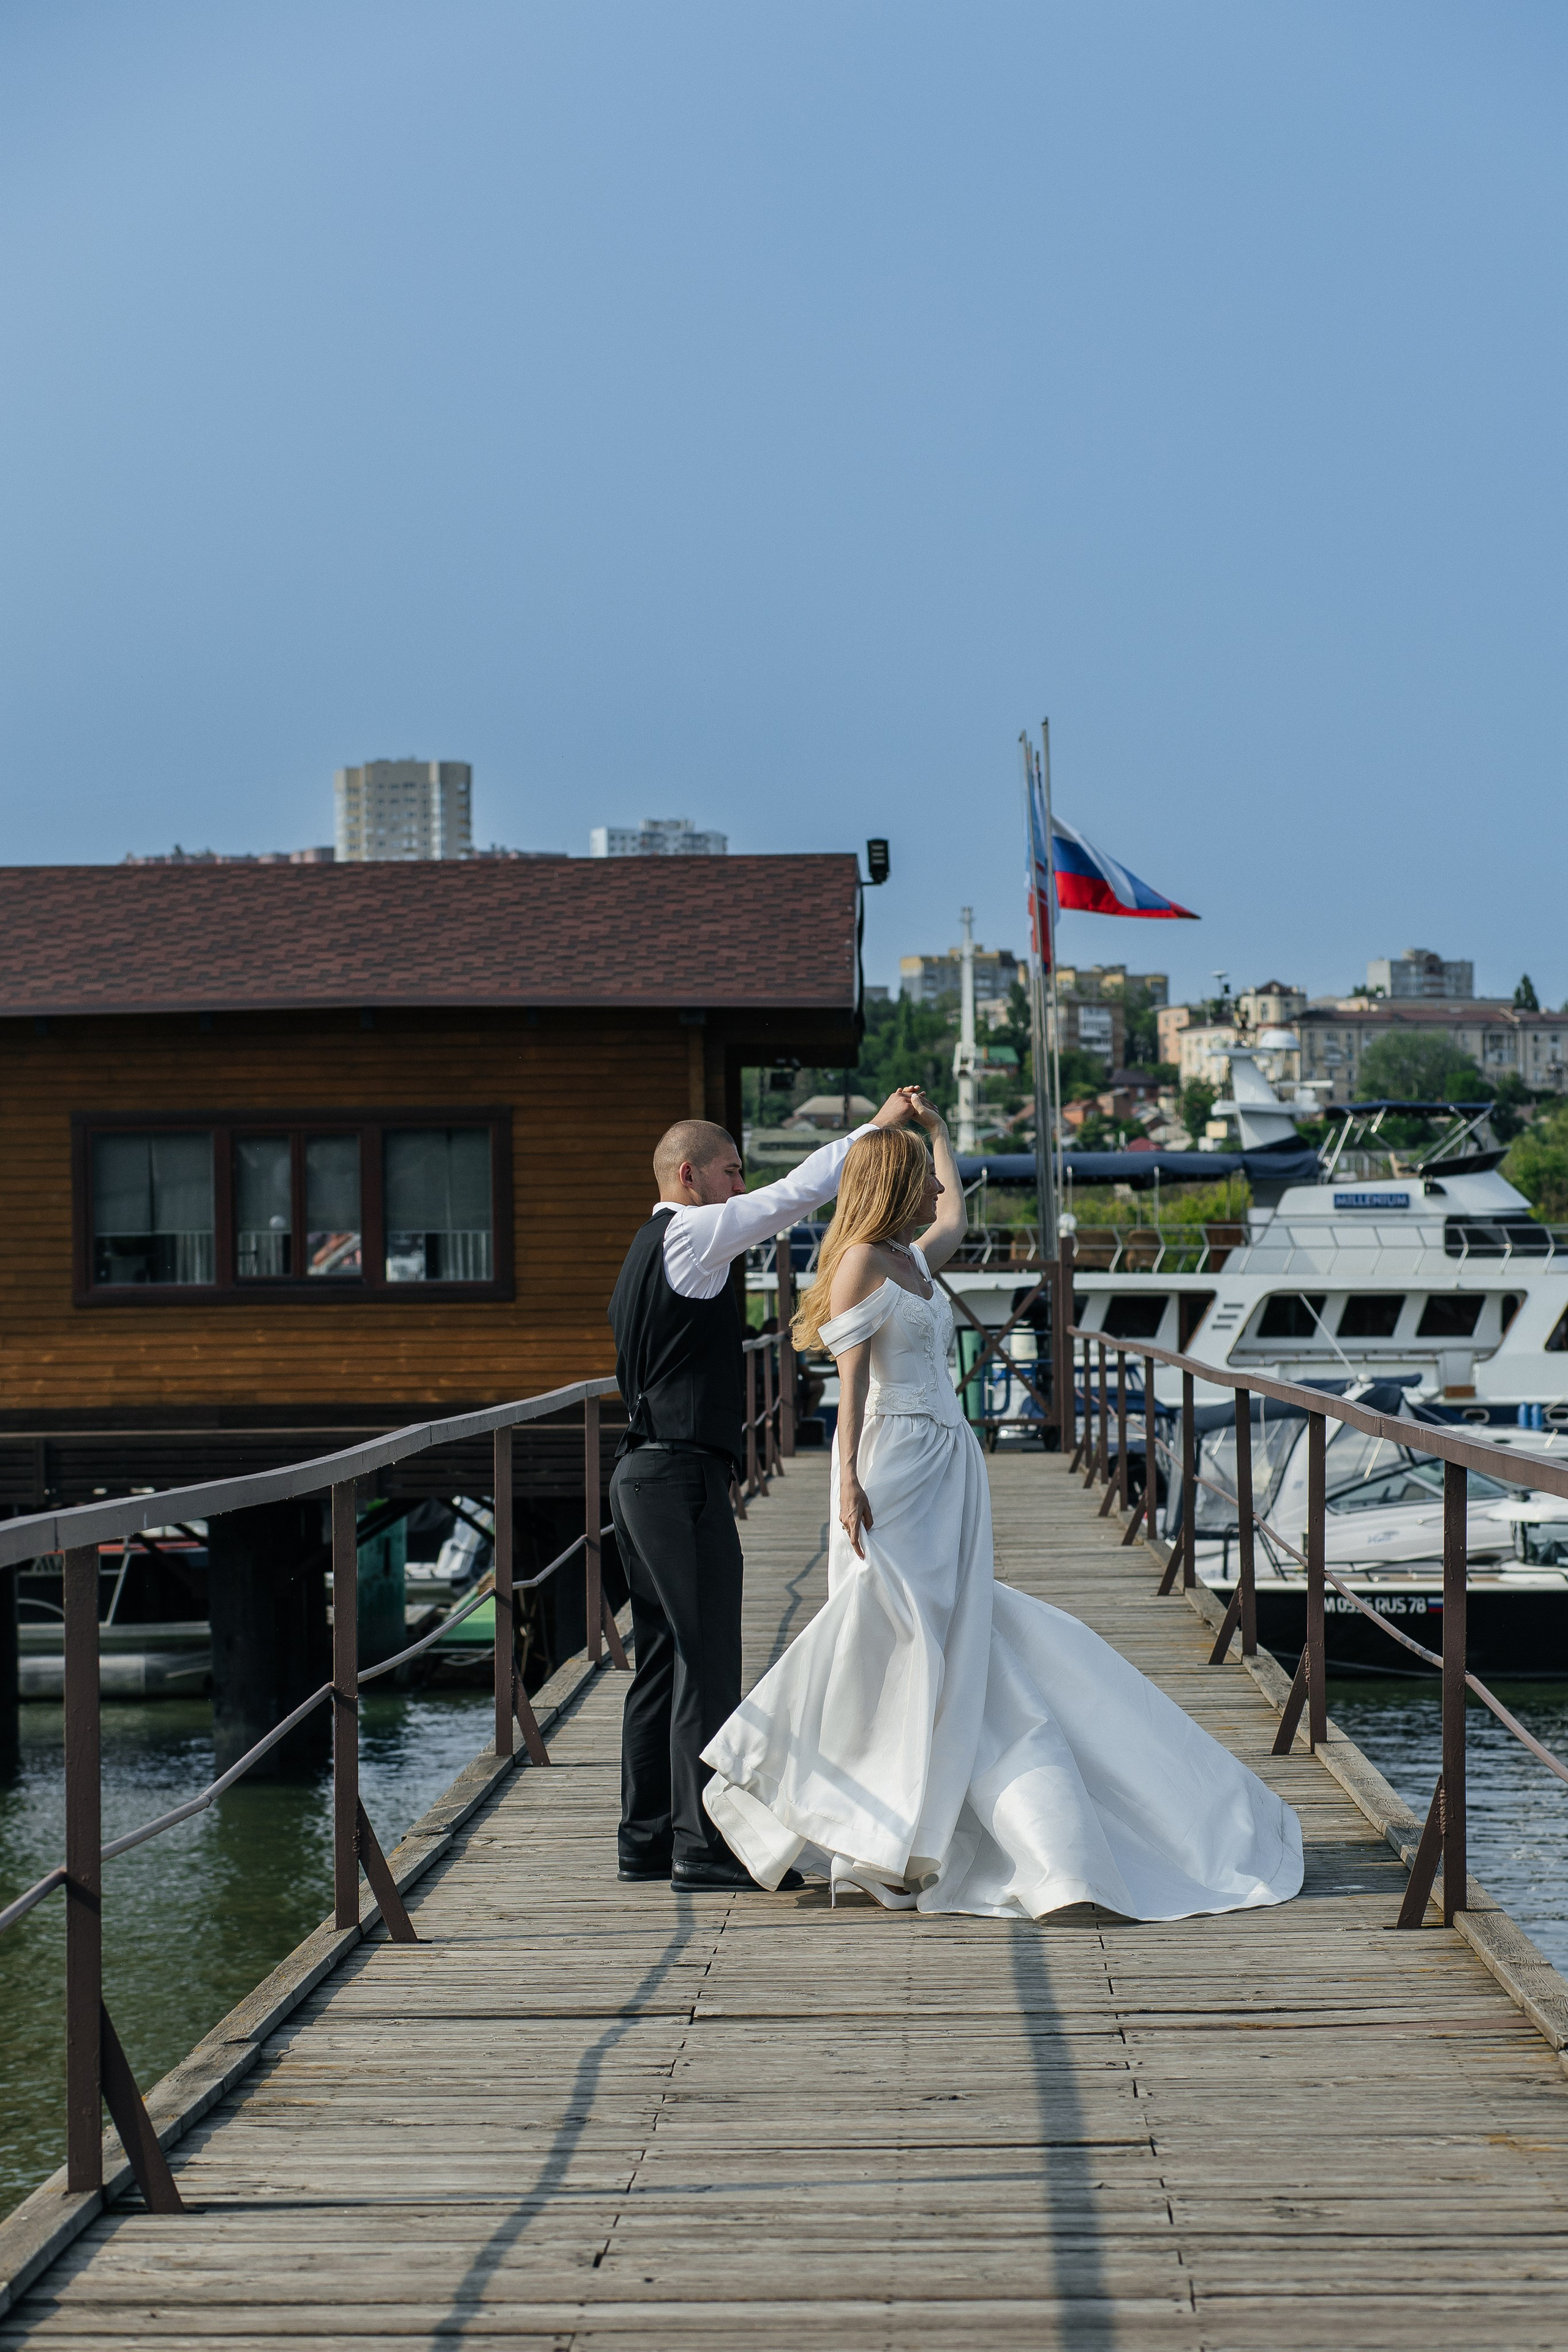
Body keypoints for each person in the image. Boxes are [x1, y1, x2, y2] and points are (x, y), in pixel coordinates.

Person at [701, 1091, 1303, 1920]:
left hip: (949, 1460)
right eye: (921, 1178)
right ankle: (853, 1822)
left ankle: (904, 1826)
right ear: (892, 1186)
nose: (933, 1190)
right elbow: (851, 1389)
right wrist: (846, 1481)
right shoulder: (861, 1263)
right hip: (891, 1465)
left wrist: (940, 1134)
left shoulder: (914, 1260)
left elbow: (955, 1214)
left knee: (950, 1633)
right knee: (889, 1630)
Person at [607, 1087, 920, 1890]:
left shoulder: (644, 1248)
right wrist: (878, 1129)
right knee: (706, 1658)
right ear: (689, 1176)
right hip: (679, 1475)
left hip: (638, 1472)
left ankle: (644, 1838)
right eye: (731, 1171)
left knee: (660, 1658)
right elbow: (799, 1192)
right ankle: (701, 1845)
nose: (741, 1186)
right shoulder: (695, 1233)